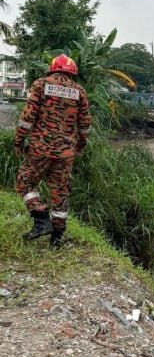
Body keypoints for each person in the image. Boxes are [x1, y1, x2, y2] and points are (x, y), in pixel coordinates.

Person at [14, 54, 91, 247]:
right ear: (72, 72)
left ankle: (41, 220)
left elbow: (27, 117)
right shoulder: (79, 91)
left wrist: (18, 141)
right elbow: (85, 124)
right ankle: (56, 238)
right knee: (61, 192)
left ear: (53, 68)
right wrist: (81, 144)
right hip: (66, 152)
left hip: (40, 148)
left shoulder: (41, 84)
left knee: (25, 181)